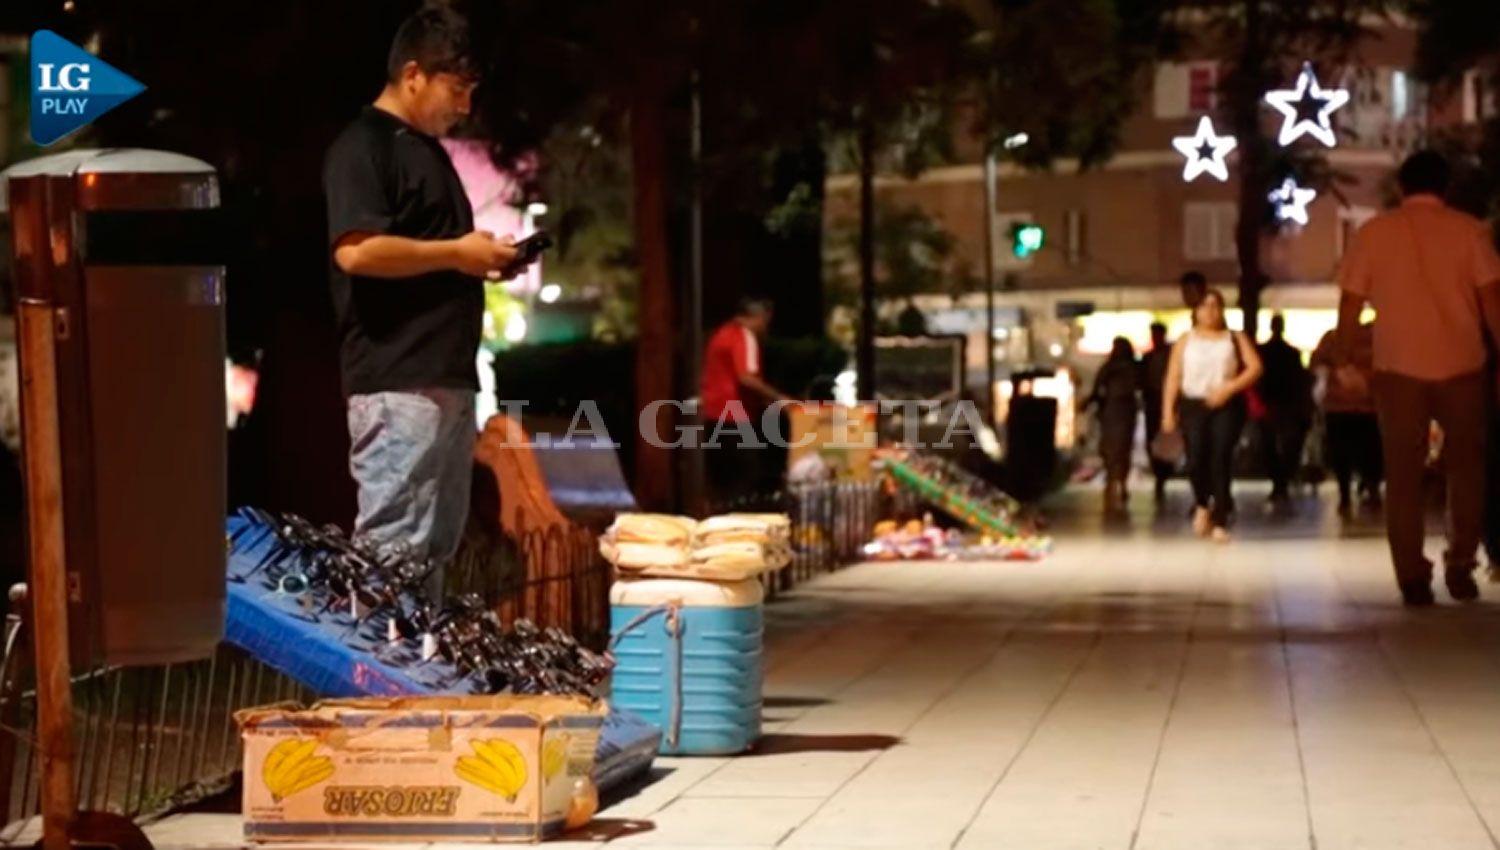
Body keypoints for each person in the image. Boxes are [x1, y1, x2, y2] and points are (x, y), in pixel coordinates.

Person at [323, 9, 520, 593]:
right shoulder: (363, 146)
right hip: (397, 381)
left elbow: (432, 252)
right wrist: (457, 254)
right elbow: (355, 253)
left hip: (443, 379)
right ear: (413, 75)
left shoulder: (426, 151)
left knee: (431, 549)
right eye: (456, 89)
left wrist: (478, 259)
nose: (464, 106)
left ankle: (412, 676)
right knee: (392, 551)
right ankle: (377, 678)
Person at [1335, 149, 1500, 605]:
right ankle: (1462, 562)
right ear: (1444, 187)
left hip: (1397, 368)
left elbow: (1351, 303)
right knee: (1466, 469)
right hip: (1464, 365)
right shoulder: (1470, 232)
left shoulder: (1374, 235)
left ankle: (1411, 574)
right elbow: (1492, 302)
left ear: (1403, 188)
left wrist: (1345, 356)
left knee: (1403, 474)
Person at [1162, 289, 1264, 543]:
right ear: (1196, 312)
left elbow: (1255, 368)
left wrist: (1229, 387)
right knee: (1196, 457)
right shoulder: (1186, 340)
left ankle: (1221, 516)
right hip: (1193, 404)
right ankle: (1201, 503)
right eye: (1205, 307)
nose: (1210, 312)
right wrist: (1168, 411)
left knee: (1220, 456)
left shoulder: (1234, 337)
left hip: (1226, 404)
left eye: (1215, 306)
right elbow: (1173, 376)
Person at [700, 299, 790, 504]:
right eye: (766, 321)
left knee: (722, 481)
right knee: (747, 478)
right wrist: (778, 397)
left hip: (714, 416)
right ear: (759, 317)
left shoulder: (722, 334)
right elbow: (746, 377)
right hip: (736, 416)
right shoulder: (744, 336)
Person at [1311, 322, 1381, 513]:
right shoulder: (1334, 338)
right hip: (1345, 405)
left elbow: (1316, 363)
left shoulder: (1335, 338)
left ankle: (1362, 489)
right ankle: (1352, 491)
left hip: (1364, 406)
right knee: (1351, 451)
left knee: (1365, 451)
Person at [1257, 314, 1313, 504]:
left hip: (1277, 404)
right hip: (1280, 404)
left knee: (1273, 446)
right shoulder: (1289, 353)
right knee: (1281, 446)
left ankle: (1279, 482)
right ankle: (1281, 481)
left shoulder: (1265, 352)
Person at [1086, 337, 1141, 516]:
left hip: (1116, 411)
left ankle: (1114, 481)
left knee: (1115, 449)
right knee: (1120, 449)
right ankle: (1117, 481)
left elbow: (1096, 390)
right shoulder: (1132, 367)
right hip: (1119, 411)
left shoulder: (1111, 367)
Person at [1140, 322, 1173, 504]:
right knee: (1152, 439)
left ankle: (1164, 473)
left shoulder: (1170, 356)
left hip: (1165, 401)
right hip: (1152, 402)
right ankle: (1159, 473)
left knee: (1166, 440)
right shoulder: (1148, 358)